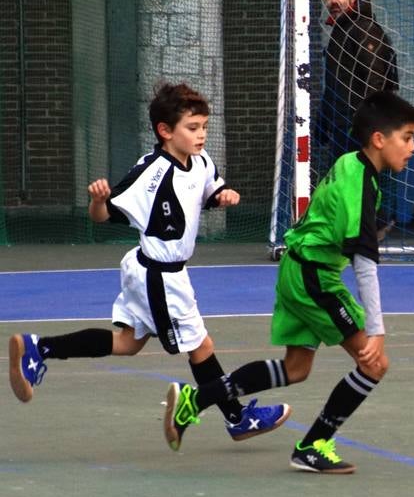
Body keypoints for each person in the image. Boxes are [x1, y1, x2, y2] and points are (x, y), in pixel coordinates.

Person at [7, 83, 290, 445]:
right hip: (160, 275)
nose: (201, 134)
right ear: (165, 131)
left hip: (154, 270)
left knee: (128, 343)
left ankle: (40, 348)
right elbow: (103, 215)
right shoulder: (151, 174)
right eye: (193, 127)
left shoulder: (201, 161)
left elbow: (207, 190)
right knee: (201, 346)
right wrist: (98, 200)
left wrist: (223, 195)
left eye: (204, 126)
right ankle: (237, 418)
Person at [163, 90, 414, 474]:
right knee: (374, 364)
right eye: (408, 137)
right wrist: (376, 330)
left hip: (298, 269)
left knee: (296, 368)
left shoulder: (350, 163)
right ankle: (313, 445)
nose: (413, 147)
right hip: (314, 277)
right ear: (379, 139)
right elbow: (364, 261)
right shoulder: (360, 185)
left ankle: (196, 400)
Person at [318, 0, 399, 174]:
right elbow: (336, 81)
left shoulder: (364, 27)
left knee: (359, 181)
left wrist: (366, 120)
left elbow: (375, 78)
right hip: (341, 124)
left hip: (358, 127)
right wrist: (324, 118)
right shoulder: (341, 29)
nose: (334, 1)